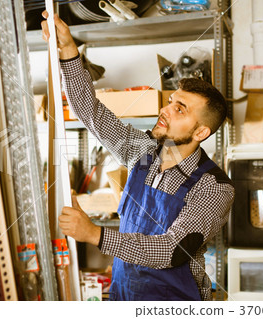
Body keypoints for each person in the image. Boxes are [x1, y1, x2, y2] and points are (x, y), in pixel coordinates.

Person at [41, 13, 234, 301]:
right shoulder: (143, 153)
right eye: (170, 102)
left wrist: (95, 234)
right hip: (123, 297)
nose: (165, 110)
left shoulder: (213, 187)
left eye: (180, 109)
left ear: (201, 131)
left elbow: (171, 250)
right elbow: (89, 112)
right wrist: (68, 49)